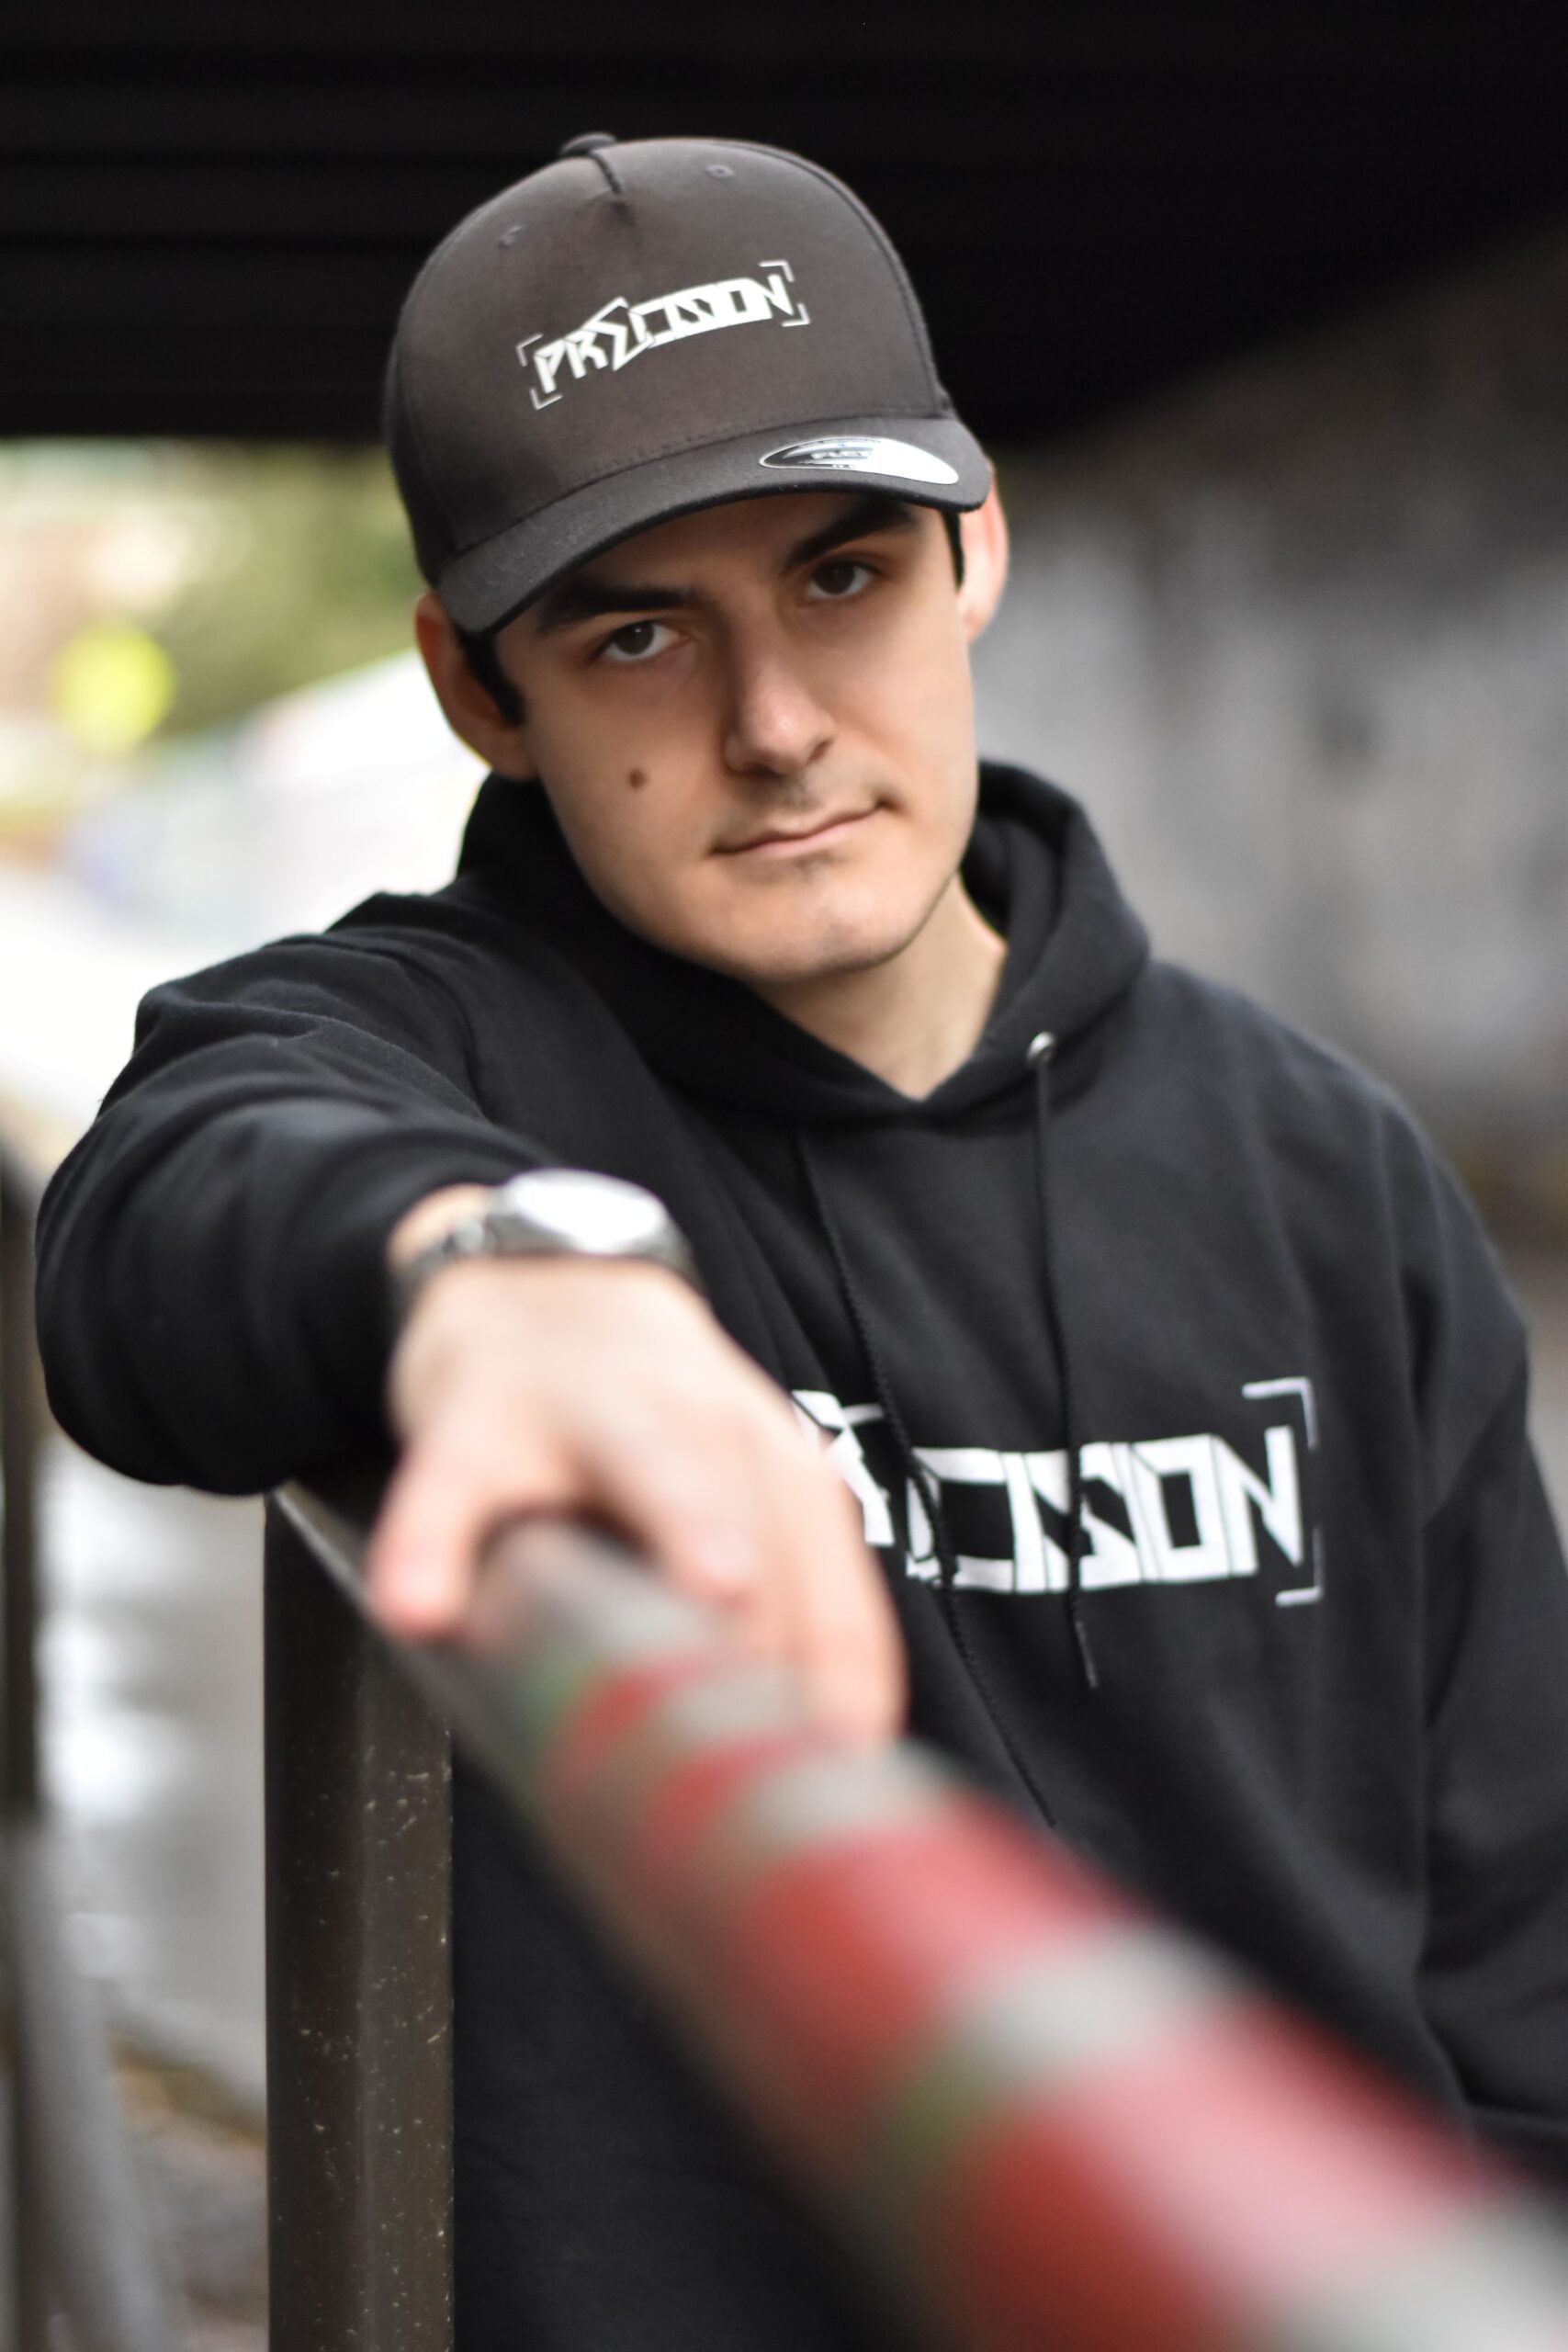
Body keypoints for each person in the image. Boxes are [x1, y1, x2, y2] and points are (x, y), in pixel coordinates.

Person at [35, 132, 1568, 2348]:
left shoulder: (1324, 1169)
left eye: (840, 575)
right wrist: (482, 1266)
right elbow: (150, 1216)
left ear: (975, 548)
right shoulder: (437, 1057)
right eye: (638, 632)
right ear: (479, 690)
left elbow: (1518, 1976)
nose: (770, 726)